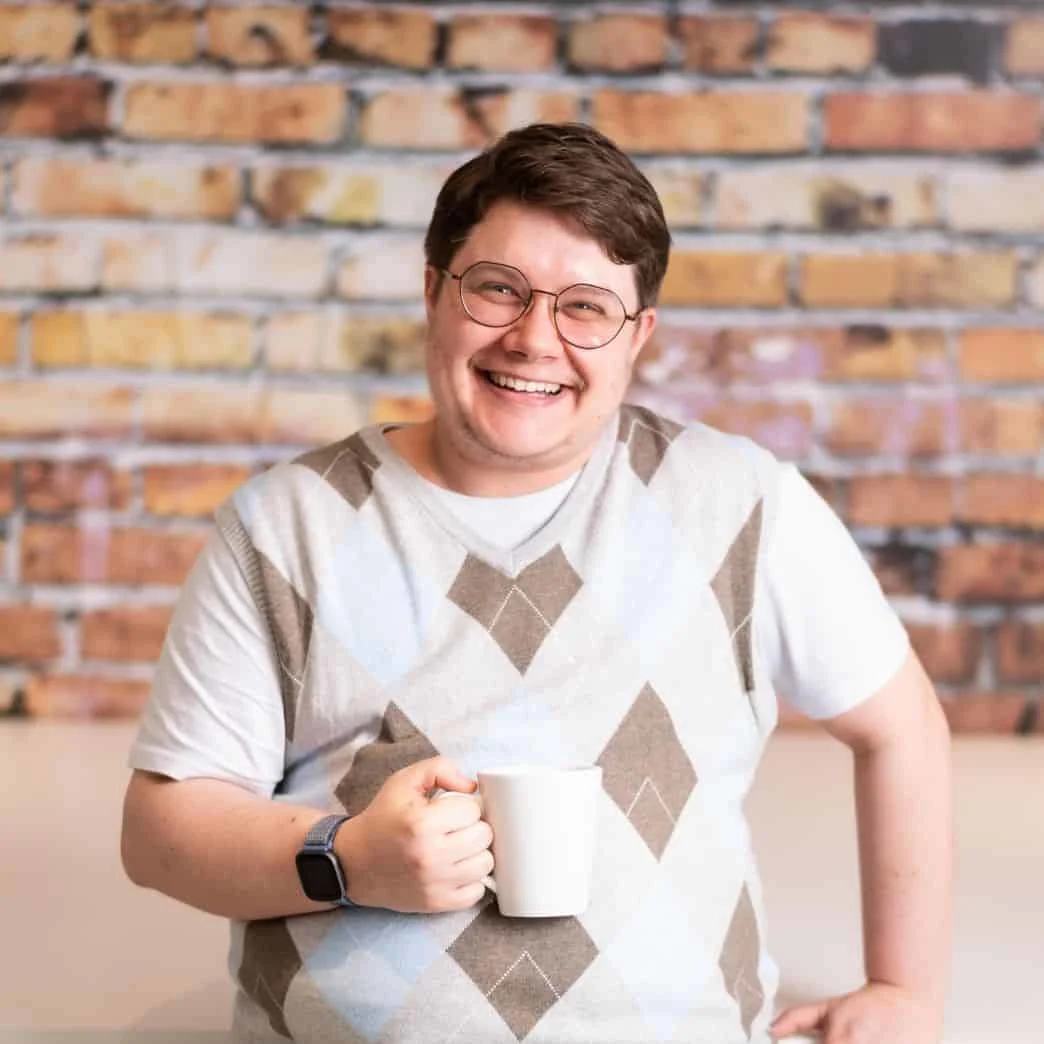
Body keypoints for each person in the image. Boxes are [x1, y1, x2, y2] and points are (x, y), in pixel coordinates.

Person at [121, 122, 952, 1044]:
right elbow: (160, 830)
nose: (534, 340)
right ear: (435, 291)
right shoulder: (285, 525)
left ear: (638, 336)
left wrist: (904, 990)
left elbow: (902, 726)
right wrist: (345, 859)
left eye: (586, 307)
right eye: (498, 290)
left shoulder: (741, 502)